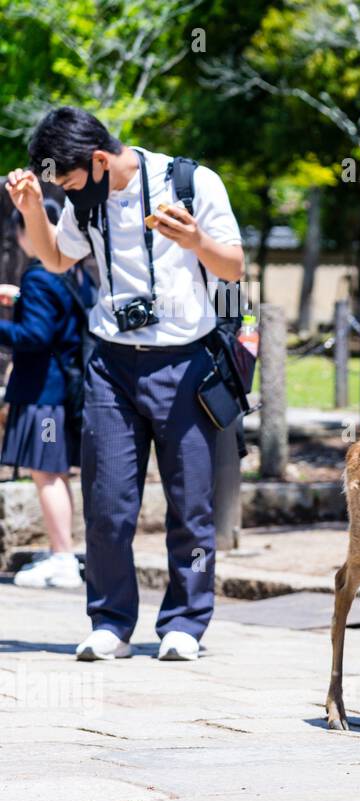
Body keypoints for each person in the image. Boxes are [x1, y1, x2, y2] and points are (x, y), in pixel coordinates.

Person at [4, 106, 244, 662]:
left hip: (185, 362)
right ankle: (110, 621)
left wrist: (196, 242)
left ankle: (185, 622)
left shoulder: (190, 182)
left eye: (66, 181)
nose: (66, 191)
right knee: (107, 503)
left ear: (98, 159)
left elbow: (232, 265)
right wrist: (35, 210)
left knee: (191, 503)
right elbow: (57, 259)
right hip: (111, 364)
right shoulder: (84, 203)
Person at [0, 200, 91, 589]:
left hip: (44, 397)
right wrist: (19, 300)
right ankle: (62, 552)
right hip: (62, 392)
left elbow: (35, 337)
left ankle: (63, 557)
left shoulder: (39, 276)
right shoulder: (74, 272)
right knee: (54, 473)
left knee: (47, 474)